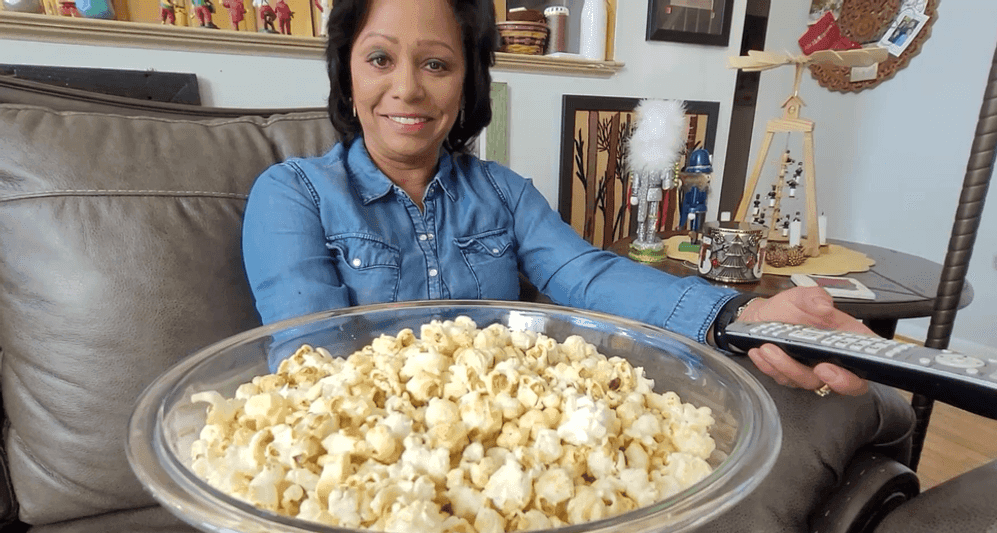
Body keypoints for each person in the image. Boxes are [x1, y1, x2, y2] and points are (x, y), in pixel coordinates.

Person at [242, 0, 872, 397]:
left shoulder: (504, 192)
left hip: (513, 429)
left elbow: (584, 274)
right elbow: (309, 357)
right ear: (347, 75)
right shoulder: (292, 193)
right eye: (380, 59)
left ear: (468, 85)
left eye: (436, 64)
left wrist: (740, 316)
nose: (406, 88)